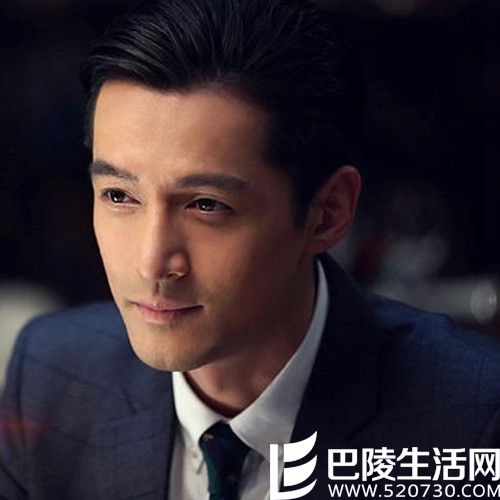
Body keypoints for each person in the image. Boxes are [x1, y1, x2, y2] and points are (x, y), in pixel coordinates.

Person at [1, 0, 500, 498]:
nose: (152, 263)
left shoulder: (474, 416)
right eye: (118, 196)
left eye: (206, 205)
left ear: (327, 213)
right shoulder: (53, 371)